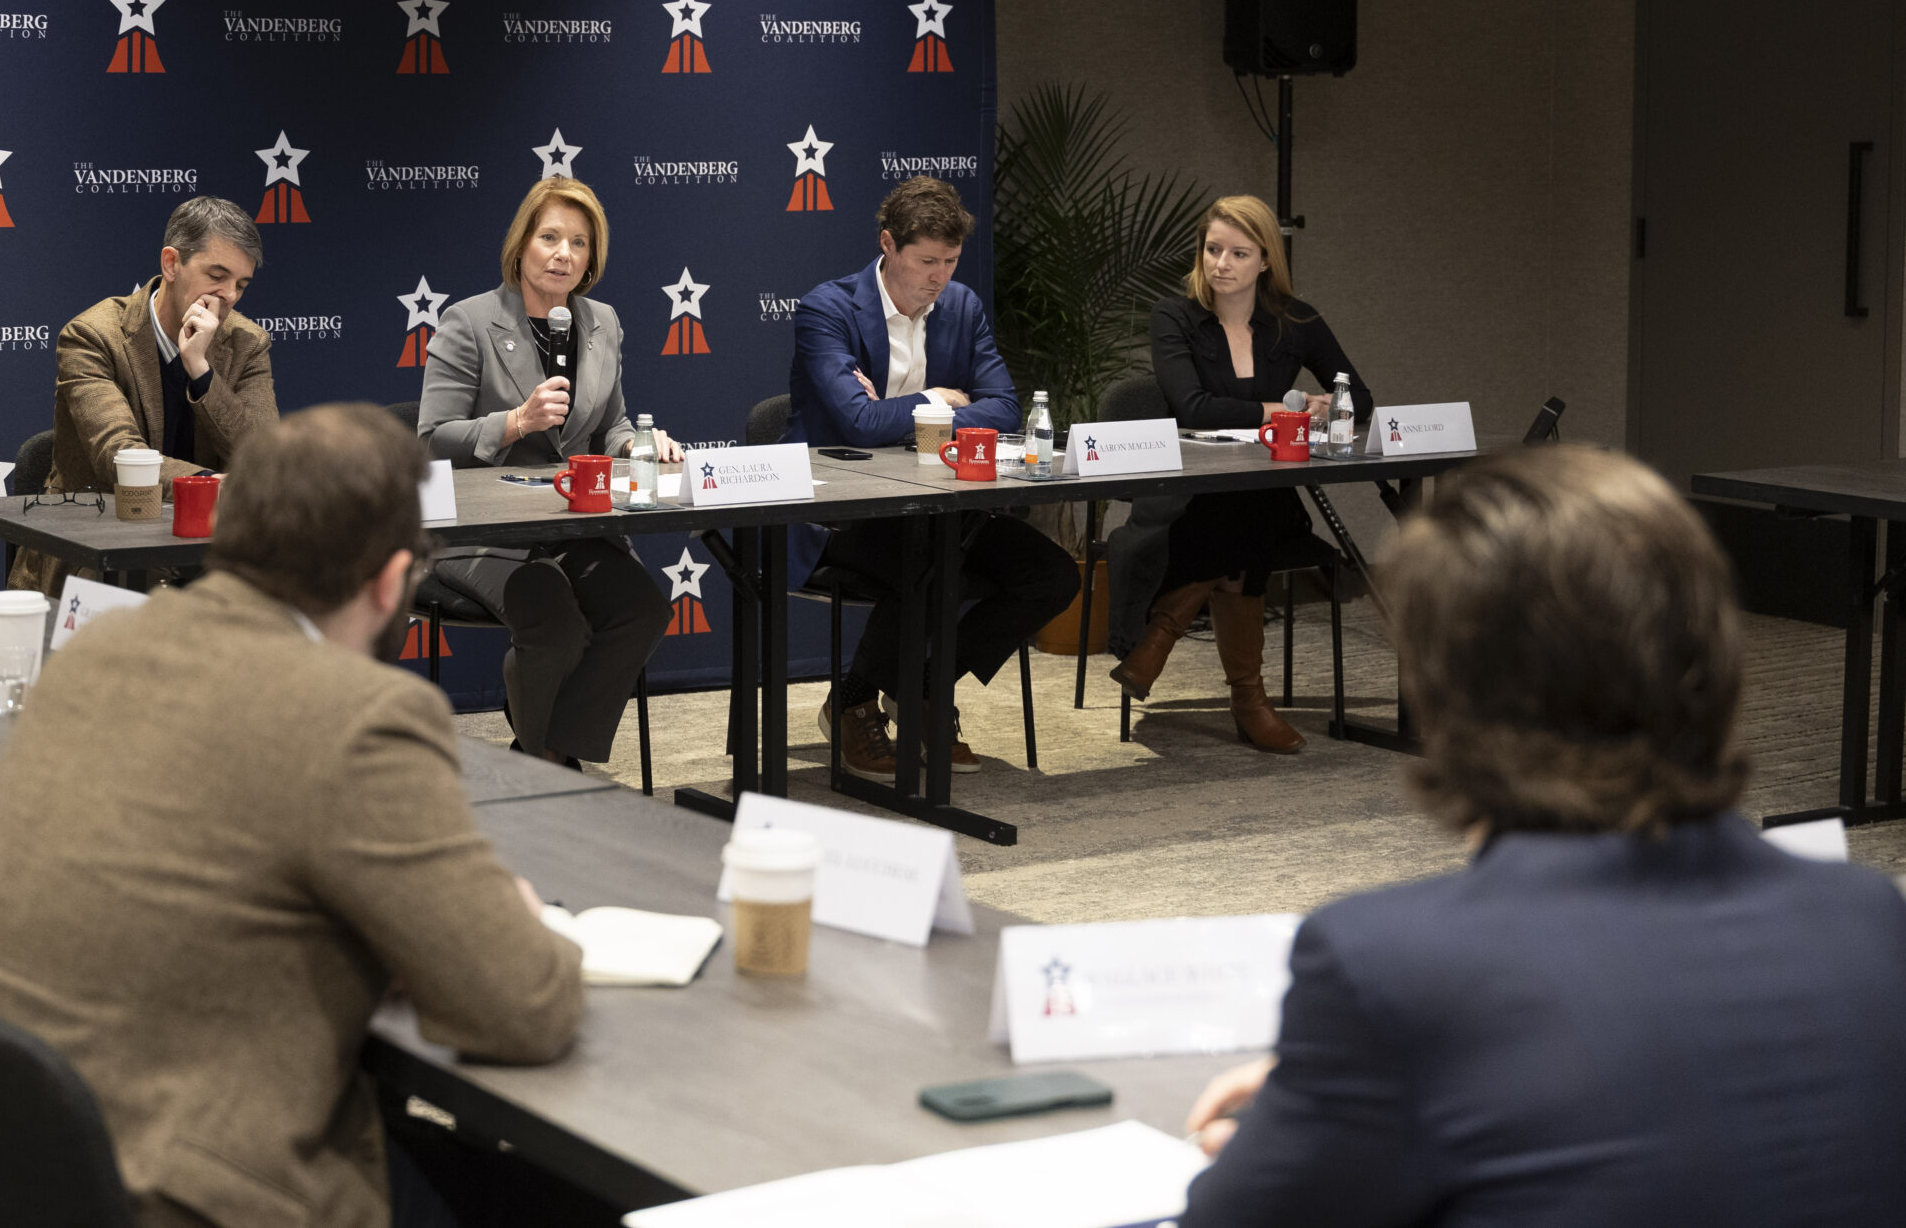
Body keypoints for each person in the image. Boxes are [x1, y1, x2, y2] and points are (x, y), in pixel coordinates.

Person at [1179, 446, 1906, 1227]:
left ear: (1447, 689)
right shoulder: (1870, 917)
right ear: (1718, 654)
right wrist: (1358, 1086)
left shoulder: (1389, 967)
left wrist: (1349, 1091)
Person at [0, 404, 583, 1228]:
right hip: (178, 1192)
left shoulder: (94, 648)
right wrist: (521, 922)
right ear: (392, 580)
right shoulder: (358, 711)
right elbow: (522, 1005)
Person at [785, 175, 1078, 781]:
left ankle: (915, 687)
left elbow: (1004, 409)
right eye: (926, 262)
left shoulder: (962, 307)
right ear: (888, 245)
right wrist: (939, 398)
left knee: (1050, 575)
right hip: (840, 510)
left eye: (950, 261)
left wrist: (905, 413)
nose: (939, 277)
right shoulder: (828, 309)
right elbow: (857, 425)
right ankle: (858, 705)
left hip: (940, 504)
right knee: (930, 562)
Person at [418, 178, 675, 767]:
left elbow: (611, 425)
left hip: (571, 522)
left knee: (642, 610)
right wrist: (515, 422)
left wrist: (641, 443)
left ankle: (546, 753)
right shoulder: (469, 321)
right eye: (550, 237)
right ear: (522, 244)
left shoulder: (602, 321)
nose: (564, 254)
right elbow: (430, 441)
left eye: (579, 243)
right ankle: (548, 767)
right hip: (480, 530)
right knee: (556, 628)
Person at [1107, 194, 1369, 754]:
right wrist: (1281, 410)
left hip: (1257, 490)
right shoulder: (1175, 317)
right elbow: (1194, 408)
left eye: (1238, 253)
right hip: (1188, 492)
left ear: (1266, 260)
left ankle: (1160, 636)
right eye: (1212, 250)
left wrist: (1329, 404)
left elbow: (1360, 397)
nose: (1220, 264)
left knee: (1248, 507)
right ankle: (1249, 701)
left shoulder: (1296, 321)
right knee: (1245, 518)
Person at [11, 195, 278, 592]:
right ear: (171, 263)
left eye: (241, 284)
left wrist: (200, 371)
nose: (230, 296)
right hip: (99, 551)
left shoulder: (247, 342)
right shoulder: (92, 336)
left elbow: (264, 455)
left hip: (206, 558)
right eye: (216, 276)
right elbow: (119, 455)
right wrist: (209, 487)